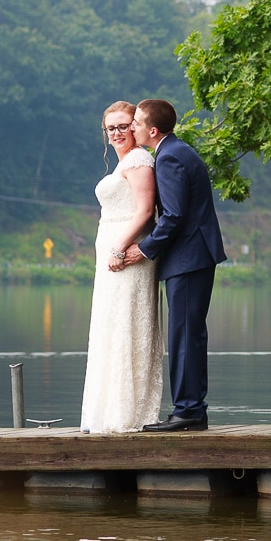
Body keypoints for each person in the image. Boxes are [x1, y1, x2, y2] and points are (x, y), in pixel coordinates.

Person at [123, 98, 226, 432]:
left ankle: (188, 412)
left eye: (136, 123)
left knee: (184, 336)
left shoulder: (168, 158)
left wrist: (145, 248)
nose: (131, 127)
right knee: (189, 335)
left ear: (152, 130)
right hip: (192, 257)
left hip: (188, 258)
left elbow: (174, 216)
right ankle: (192, 409)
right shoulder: (177, 151)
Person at [79, 101, 163, 434]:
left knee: (127, 327)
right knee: (110, 328)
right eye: (110, 128)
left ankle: (129, 415)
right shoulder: (123, 163)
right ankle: (106, 413)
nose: (117, 133)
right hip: (112, 258)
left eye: (123, 126)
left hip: (129, 257)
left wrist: (120, 247)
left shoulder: (140, 159)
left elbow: (144, 212)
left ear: (135, 126)